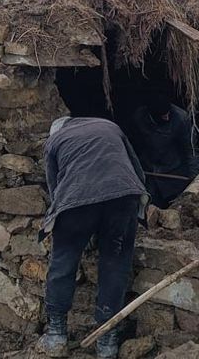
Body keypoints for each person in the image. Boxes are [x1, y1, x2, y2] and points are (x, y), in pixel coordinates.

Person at [37, 116, 149, 359]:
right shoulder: (111, 126)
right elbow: (137, 170)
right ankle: (107, 341)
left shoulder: (54, 140)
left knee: (63, 263)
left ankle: (56, 335)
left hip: (77, 204)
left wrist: (74, 225)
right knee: (115, 264)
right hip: (123, 197)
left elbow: (54, 187)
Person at [130, 94, 199, 208]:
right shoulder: (139, 117)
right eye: (163, 116)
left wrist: (195, 176)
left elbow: (191, 150)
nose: (167, 118)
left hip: (174, 173)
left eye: (168, 114)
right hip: (149, 172)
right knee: (148, 207)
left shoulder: (181, 119)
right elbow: (134, 144)